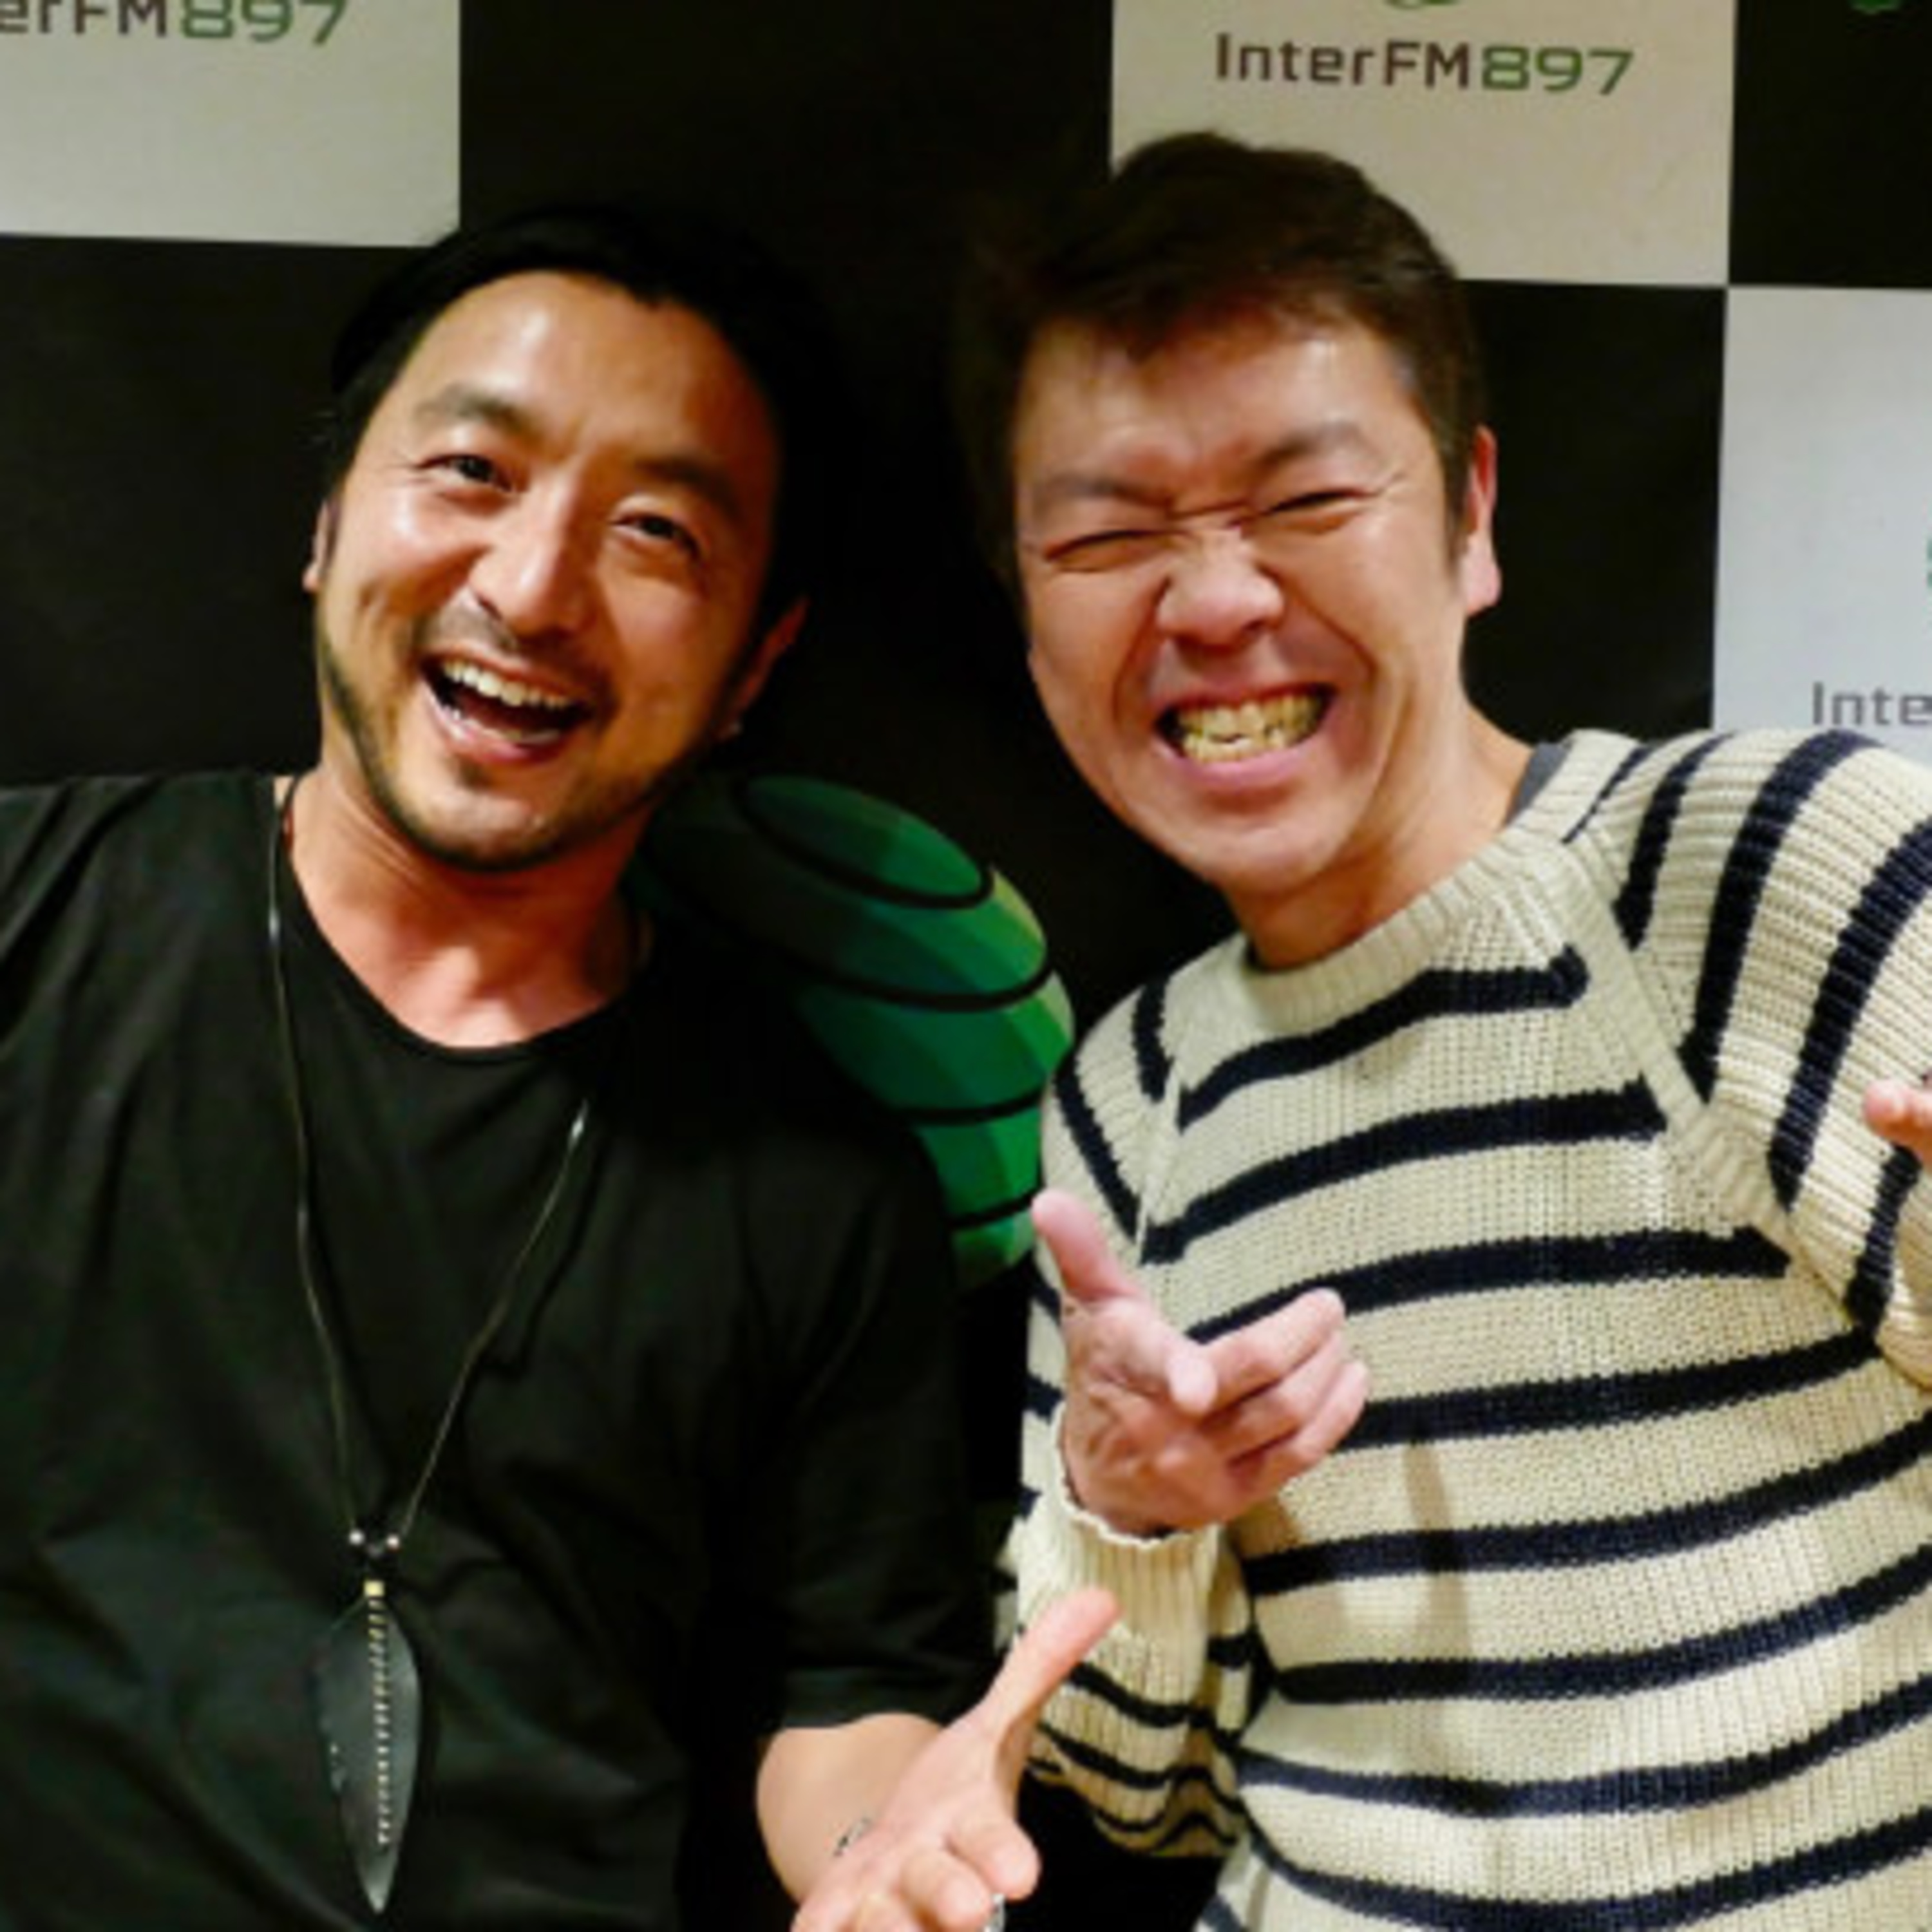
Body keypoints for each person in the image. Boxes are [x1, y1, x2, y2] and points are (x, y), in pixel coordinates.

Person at [0, 198, 1109, 1931]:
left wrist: (886, 1857)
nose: (529, 590)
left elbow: (846, 1695)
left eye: (655, 531)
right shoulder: (32, 923)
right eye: (470, 473)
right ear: (326, 521)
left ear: (755, 664)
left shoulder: (813, 1185)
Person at [945, 131, 1932, 1926]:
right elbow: (1141, 1799)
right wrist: (1133, 1510)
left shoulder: (1768, 875)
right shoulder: (1126, 1105)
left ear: (1472, 520)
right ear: (1025, 613)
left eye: (1306, 501)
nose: (1217, 602)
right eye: (1107, 535)